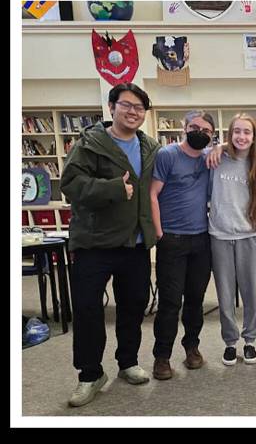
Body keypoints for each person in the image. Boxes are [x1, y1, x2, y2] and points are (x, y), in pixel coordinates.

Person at [60, 83, 159, 407]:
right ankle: (90, 374)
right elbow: (70, 185)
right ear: (112, 107)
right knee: (88, 310)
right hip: (94, 243)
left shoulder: (150, 147)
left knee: (133, 307)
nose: (133, 112)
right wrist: (114, 189)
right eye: (127, 106)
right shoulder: (90, 144)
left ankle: (127, 361)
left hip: (135, 243)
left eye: (139, 108)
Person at [149, 110, 216, 380]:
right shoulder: (168, 155)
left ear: (212, 135)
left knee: (195, 300)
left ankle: (192, 347)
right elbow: (153, 194)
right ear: (184, 127)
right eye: (194, 126)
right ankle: (162, 356)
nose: (199, 132)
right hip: (172, 240)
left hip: (202, 240)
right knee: (169, 302)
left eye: (206, 130)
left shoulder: (209, 158)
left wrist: (219, 146)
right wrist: (159, 234)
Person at [209, 114, 256, 367]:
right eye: (237, 131)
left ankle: (249, 341)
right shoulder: (216, 160)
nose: (242, 136)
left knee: (250, 293)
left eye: (247, 132)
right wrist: (218, 147)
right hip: (220, 236)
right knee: (225, 295)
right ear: (230, 134)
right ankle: (229, 343)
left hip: (249, 236)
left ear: (254, 137)